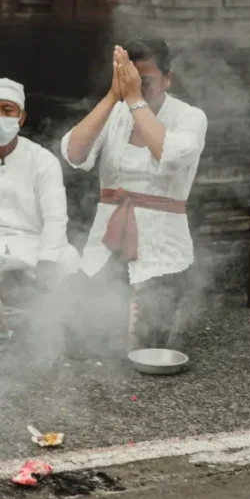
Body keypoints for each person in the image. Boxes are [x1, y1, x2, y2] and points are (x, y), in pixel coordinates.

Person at [61, 39, 207, 350]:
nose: (137, 89)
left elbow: (169, 155)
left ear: (169, 78)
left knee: (143, 347)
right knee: (79, 344)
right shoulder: (116, 113)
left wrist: (136, 101)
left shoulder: (190, 117)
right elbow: (74, 154)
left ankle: (155, 313)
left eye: (147, 82)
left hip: (160, 251)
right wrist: (114, 96)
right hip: (107, 243)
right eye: (132, 81)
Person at [0, 77, 79, 304]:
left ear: (21, 118)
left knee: (68, 260)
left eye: (7, 110)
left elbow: (55, 218)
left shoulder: (43, 160)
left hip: (32, 245)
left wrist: (47, 261)